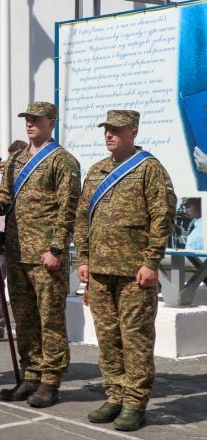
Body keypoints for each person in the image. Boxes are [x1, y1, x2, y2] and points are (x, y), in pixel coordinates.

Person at [75, 110, 176, 431]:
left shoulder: (149, 169)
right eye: (107, 129)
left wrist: (151, 260)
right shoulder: (97, 170)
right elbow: (82, 218)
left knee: (135, 338)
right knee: (107, 337)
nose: (109, 135)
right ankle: (115, 394)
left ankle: (135, 401)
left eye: (116, 130)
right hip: (100, 271)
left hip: (135, 272)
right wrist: (84, 258)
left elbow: (163, 216)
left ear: (133, 132)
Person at [0, 102, 81, 408]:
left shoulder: (62, 160)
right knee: (25, 318)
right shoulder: (16, 160)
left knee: (50, 320)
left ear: (50, 122)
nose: (29, 124)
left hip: (45, 254)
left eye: (35, 120)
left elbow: (68, 209)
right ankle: (31, 374)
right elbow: (5, 199)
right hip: (16, 252)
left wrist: (56, 248)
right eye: (27, 120)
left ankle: (50, 380)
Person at [0, 139, 28, 341]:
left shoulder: (27, 180)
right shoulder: (3, 180)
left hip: (22, 239)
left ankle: (26, 327)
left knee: (21, 286)